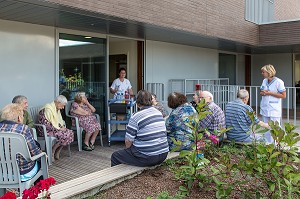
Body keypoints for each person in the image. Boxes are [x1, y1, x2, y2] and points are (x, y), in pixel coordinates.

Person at [111, 90, 169, 167]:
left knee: (115, 156)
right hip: (163, 154)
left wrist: (130, 151)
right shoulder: (158, 113)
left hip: (148, 157)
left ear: (137, 103)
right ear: (151, 101)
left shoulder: (136, 116)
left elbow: (128, 141)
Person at [0, 103, 42, 181]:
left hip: (2, 173)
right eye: (22, 115)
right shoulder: (23, 129)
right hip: (22, 173)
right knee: (41, 162)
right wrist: (43, 155)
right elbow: (34, 152)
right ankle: (38, 191)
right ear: (19, 118)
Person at [37, 95, 74, 160]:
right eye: (62, 105)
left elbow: (58, 121)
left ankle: (57, 151)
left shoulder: (56, 108)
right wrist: (59, 129)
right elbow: (46, 125)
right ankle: (52, 151)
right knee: (63, 135)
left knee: (70, 133)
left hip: (54, 128)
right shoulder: (48, 109)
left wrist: (61, 127)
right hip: (45, 130)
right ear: (58, 102)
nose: (63, 108)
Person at [260, 64, 286, 144]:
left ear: (268, 72)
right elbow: (261, 92)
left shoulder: (279, 82)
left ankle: (277, 144)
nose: (262, 73)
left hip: (274, 109)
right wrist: (263, 93)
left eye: (263, 72)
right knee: (266, 127)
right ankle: (267, 144)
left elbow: (283, 95)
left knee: (275, 128)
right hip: (265, 107)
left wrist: (270, 93)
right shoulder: (264, 81)